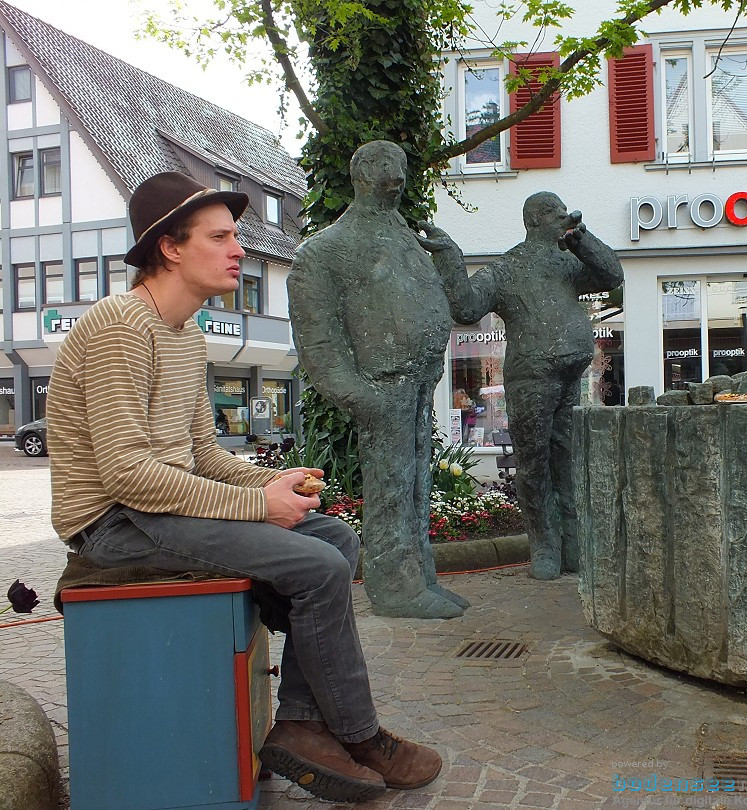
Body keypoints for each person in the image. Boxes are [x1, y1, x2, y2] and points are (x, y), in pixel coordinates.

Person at [47, 172, 442, 804]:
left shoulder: (185, 334)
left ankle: (302, 722)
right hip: (114, 526)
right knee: (316, 567)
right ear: (170, 248)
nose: (239, 250)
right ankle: (359, 735)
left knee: (333, 538)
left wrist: (270, 482)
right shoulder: (122, 325)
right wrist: (259, 506)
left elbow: (204, 457)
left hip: (158, 511)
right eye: (221, 236)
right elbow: (125, 473)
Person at [288, 140, 468, 619]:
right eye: (386, 164)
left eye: (402, 164)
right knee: (391, 486)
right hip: (381, 386)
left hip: (418, 380)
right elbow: (318, 341)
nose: (398, 173)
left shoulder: (403, 234)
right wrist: (359, 394)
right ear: (361, 172)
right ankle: (394, 587)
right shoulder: (327, 250)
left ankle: (420, 577)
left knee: (416, 483)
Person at [417, 192, 624, 580]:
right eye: (558, 214)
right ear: (536, 220)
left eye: (566, 213)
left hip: (569, 372)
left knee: (566, 457)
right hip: (531, 373)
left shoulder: (568, 262)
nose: (565, 218)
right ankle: (545, 546)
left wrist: (581, 238)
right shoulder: (508, 268)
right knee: (534, 461)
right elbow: (465, 308)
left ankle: (574, 546)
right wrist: (448, 256)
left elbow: (613, 275)